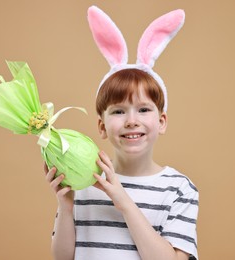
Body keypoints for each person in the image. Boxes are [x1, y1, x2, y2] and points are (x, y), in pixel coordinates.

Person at [44, 6, 199, 260]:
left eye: (143, 109)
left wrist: (124, 201)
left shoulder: (179, 189)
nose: (131, 121)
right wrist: (67, 204)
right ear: (102, 127)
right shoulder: (84, 183)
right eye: (118, 112)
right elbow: (63, 258)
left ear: (161, 121)